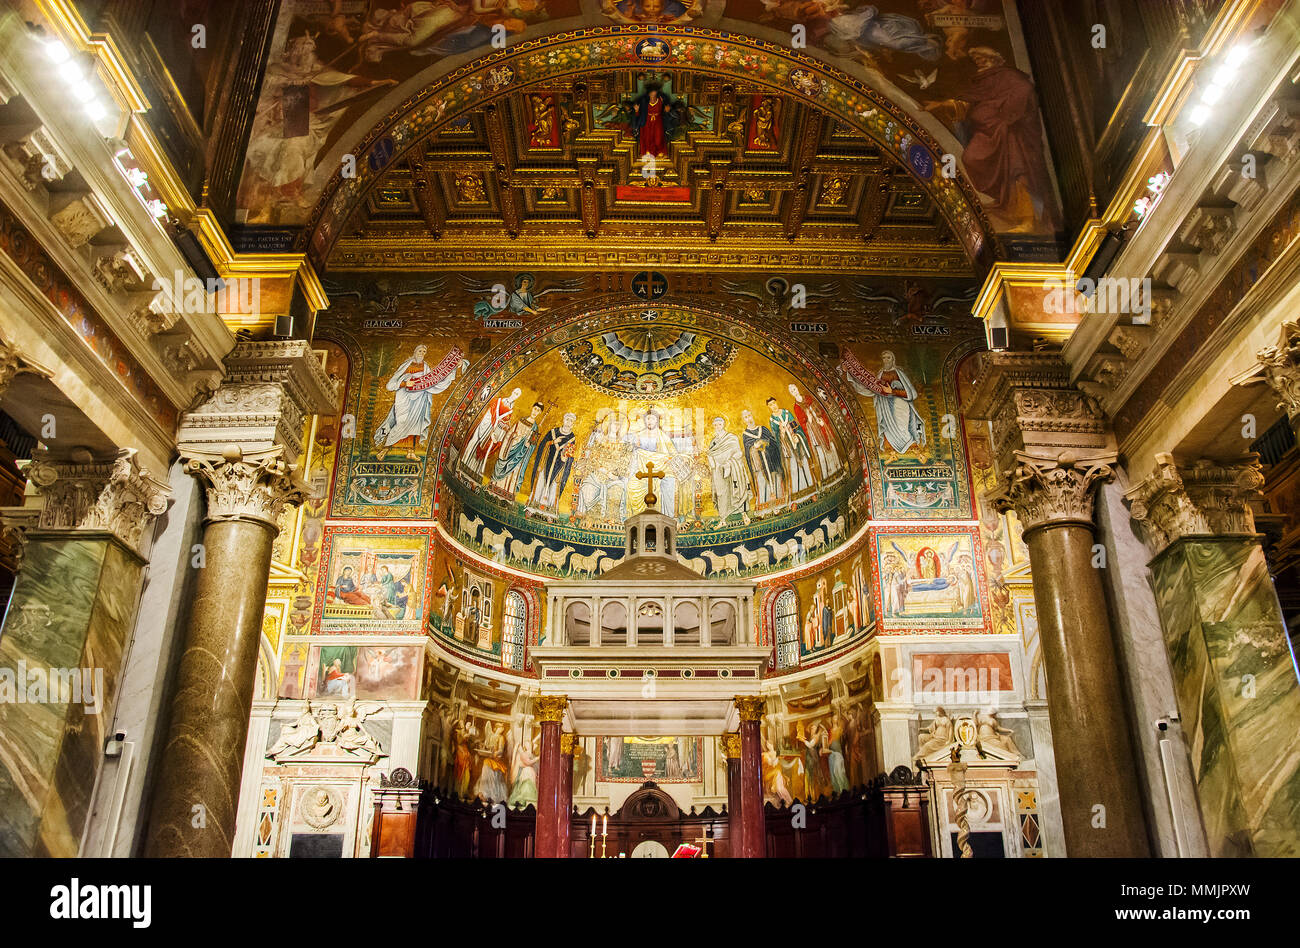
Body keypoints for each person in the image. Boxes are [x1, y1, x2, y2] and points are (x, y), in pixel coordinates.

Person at [922, 46, 1060, 233]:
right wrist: (940, 105)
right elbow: (967, 103)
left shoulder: (1007, 75)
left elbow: (1025, 89)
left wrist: (1009, 116)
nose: (979, 61)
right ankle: (1006, 204)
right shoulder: (983, 81)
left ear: (994, 59)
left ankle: (1028, 221)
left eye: (982, 57)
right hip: (987, 134)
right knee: (971, 158)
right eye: (976, 58)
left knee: (1017, 171)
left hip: (1010, 134)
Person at [374, 344, 461, 461]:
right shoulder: (406, 365)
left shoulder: (426, 367)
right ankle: (385, 449)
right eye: (420, 350)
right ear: (415, 351)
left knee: (416, 425)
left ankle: (411, 451)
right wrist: (405, 383)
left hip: (420, 400)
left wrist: (453, 368)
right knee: (401, 422)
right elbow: (390, 385)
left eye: (424, 352)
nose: (422, 353)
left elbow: (434, 382)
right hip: (404, 400)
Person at [870, 351, 926, 455]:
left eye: (888, 357)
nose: (886, 360)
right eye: (884, 358)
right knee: (888, 427)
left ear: (893, 359)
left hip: (900, 404)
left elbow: (911, 394)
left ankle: (911, 447)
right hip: (886, 406)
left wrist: (893, 391)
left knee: (902, 426)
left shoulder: (899, 373)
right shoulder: (880, 374)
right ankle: (892, 450)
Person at [463, 387, 522, 477]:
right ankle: (464, 462)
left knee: (486, 449)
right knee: (475, 441)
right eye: (515, 392)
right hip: (486, 425)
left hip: (495, 432)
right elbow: (489, 413)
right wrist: (490, 429)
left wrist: (500, 432)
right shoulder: (498, 401)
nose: (515, 395)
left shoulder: (510, 411)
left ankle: (474, 470)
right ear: (512, 391)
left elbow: (504, 424)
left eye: (517, 394)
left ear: (518, 397)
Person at [527, 412, 578, 515]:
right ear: (563, 420)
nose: (568, 422)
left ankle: (549, 513)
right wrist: (553, 441)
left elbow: (570, 455)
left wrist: (565, 458)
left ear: (573, 424)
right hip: (546, 462)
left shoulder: (572, 438)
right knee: (541, 482)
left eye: (571, 421)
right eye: (567, 419)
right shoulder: (553, 432)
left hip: (559, 467)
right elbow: (542, 445)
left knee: (554, 487)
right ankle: (532, 508)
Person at [491, 402, 544, 499]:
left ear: (540, 413)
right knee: (502, 465)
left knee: (514, 473)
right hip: (511, 448)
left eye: (538, 411)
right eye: (535, 409)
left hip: (520, 455)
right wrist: (514, 437)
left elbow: (533, 445)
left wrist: (528, 445)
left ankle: (507, 495)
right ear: (532, 408)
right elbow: (510, 433)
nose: (535, 412)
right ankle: (494, 489)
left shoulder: (535, 428)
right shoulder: (521, 420)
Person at [788, 384, 842, 479]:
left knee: (830, 444)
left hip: (820, 424)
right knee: (821, 450)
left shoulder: (808, 398)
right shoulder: (796, 407)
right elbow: (802, 422)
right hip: (812, 429)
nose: (794, 392)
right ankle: (830, 471)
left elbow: (819, 409)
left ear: (797, 388)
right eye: (792, 391)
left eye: (794, 389)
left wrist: (819, 418)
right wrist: (808, 419)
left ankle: (839, 466)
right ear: (791, 394)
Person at [706, 416, 753, 525]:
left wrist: (729, 463)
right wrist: (711, 461)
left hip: (732, 468)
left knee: (736, 490)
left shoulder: (731, 438)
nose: (718, 426)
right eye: (715, 425)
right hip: (718, 471)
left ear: (724, 425)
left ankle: (744, 515)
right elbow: (711, 455)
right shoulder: (713, 442)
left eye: (720, 424)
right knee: (721, 493)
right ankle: (723, 519)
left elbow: (738, 453)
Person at [767, 397, 816, 496]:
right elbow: (775, 436)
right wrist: (781, 433)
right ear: (769, 407)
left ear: (776, 402)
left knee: (804, 463)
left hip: (796, 443)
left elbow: (796, 426)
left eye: (774, 403)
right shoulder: (772, 420)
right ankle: (797, 494)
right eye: (771, 405)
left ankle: (812, 490)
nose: (774, 406)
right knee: (793, 467)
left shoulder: (786, 413)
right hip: (786, 448)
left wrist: (797, 436)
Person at [741, 408, 784, 510]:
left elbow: (773, 442)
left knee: (775, 480)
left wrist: (765, 443)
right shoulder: (746, 435)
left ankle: (780, 504)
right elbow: (748, 452)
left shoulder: (763, 429)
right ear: (744, 420)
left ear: (752, 415)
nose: (749, 419)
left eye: (749, 415)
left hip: (771, 462)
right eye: (746, 417)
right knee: (762, 483)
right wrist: (754, 448)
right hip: (759, 466)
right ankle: (765, 507)